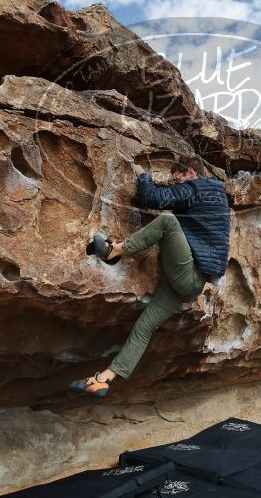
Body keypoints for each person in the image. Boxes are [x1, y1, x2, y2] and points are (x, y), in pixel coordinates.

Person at [71, 157, 230, 396]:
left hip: (189, 272)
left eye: (177, 178)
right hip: (189, 285)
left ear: (190, 172)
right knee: (144, 326)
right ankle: (104, 379)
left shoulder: (198, 187)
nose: (176, 183)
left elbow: (154, 199)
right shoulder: (217, 194)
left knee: (167, 220)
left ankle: (113, 251)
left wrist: (142, 174)